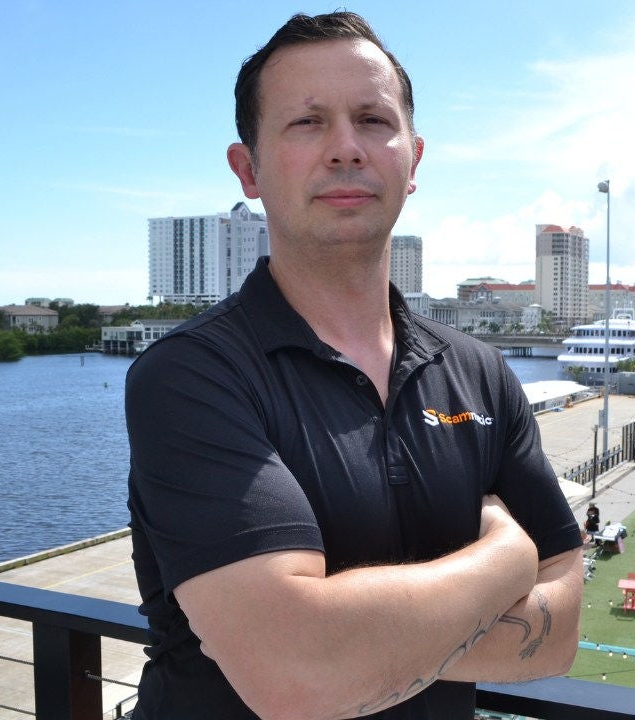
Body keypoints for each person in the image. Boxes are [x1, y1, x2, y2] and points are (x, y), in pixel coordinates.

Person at [125, 11, 584, 719]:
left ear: (413, 160)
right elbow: (298, 674)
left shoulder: (480, 373)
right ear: (248, 169)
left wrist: (356, 649)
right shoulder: (191, 377)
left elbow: (561, 634)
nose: (346, 149)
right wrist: (508, 556)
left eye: (373, 120)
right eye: (307, 123)